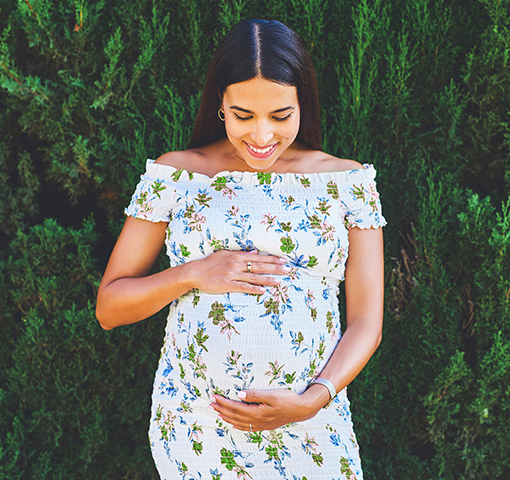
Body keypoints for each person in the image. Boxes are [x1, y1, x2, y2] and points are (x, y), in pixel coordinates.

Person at [96, 18, 385, 479]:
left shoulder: (346, 183)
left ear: (301, 104)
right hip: (198, 430)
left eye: (280, 115)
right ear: (220, 105)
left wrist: (312, 400)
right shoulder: (176, 177)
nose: (262, 136)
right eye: (243, 115)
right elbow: (110, 308)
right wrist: (193, 273)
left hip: (311, 424)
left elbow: (367, 321)